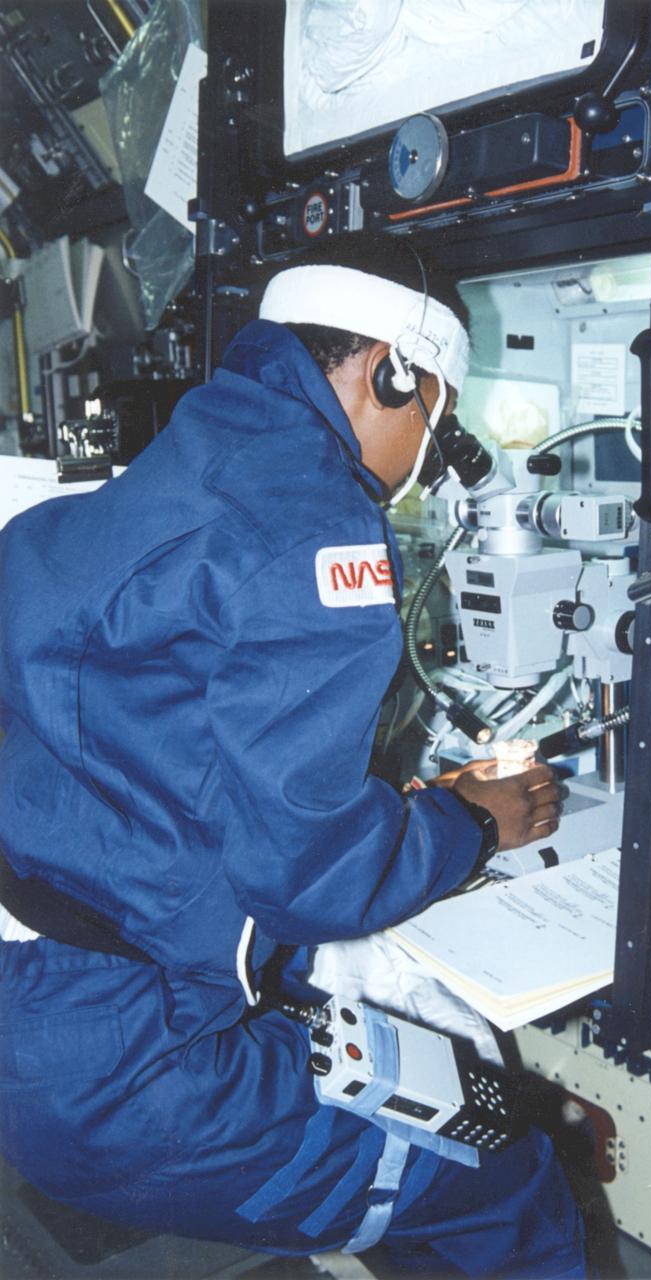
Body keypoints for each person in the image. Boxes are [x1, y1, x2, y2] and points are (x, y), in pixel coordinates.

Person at [0, 236, 586, 1276]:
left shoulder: (146, 481)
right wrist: (472, 821)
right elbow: (310, 878)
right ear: (390, 372)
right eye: (437, 415)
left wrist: (383, 808)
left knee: (435, 1089)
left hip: (39, 1001)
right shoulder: (314, 527)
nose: (425, 458)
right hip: (137, 1076)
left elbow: (155, 743)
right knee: (504, 1173)